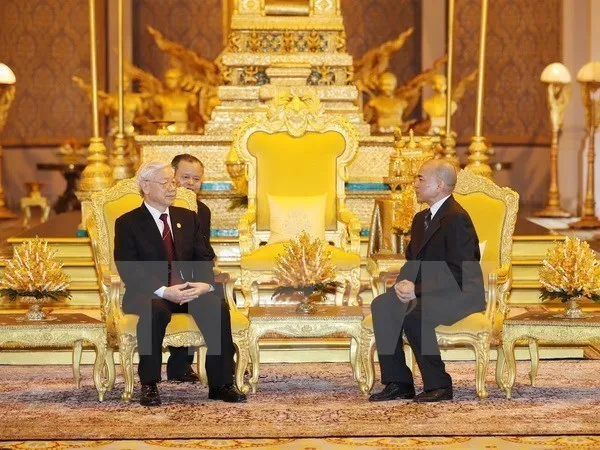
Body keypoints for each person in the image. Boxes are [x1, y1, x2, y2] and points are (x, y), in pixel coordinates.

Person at [114, 160, 246, 406]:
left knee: (216, 306)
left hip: (187, 289)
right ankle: (150, 384)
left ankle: (221, 384)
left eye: (173, 182)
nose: (172, 188)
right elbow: (129, 268)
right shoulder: (128, 223)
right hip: (150, 293)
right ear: (145, 186)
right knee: (155, 310)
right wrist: (164, 290)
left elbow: (204, 256)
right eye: (165, 183)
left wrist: (204, 285)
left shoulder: (187, 217)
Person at [369, 159, 485, 403]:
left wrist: (417, 290)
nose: (415, 184)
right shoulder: (421, 218)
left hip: (460, 294)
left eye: (420, 178)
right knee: (383, 304)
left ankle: (440, 384)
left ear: (440, 185)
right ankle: (399, 382)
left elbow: (460, 272)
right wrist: (403, 284)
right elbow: (413, 261)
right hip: (429, 291)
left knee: (414, 313)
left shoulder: (457, 218)